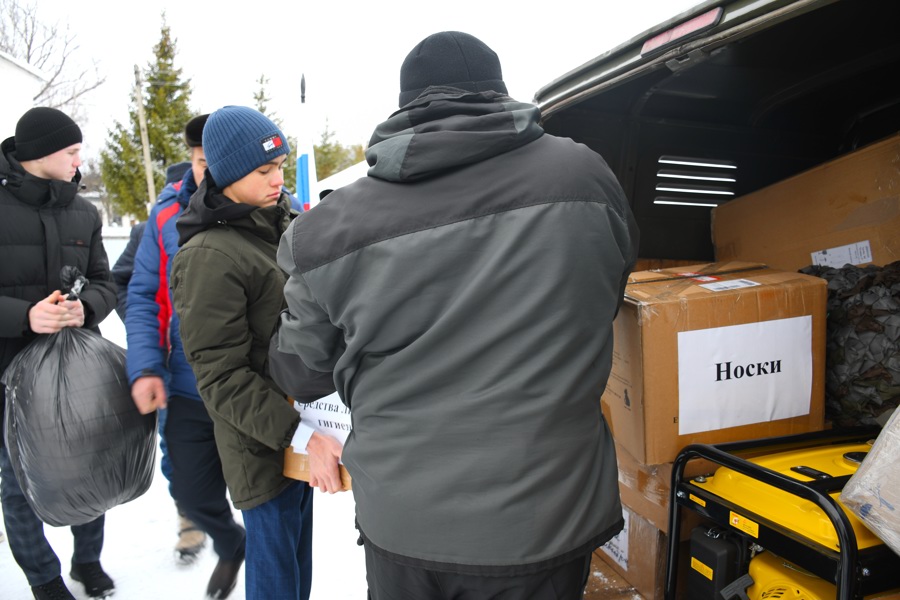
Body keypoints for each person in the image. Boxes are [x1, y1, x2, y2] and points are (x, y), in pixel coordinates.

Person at [268, 31, 640, 599]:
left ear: (404, 109)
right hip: (546, 514)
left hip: (405, 521)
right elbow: (604, 294)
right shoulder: (584, 178)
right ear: (498, 93)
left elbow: (300, 371)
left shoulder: (328, 231)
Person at [170, 106, 338, 600]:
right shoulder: (208, 256)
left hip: (305, 427)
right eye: (263, 170)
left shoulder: (279, 223)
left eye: (281, 167)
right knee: (277, 581)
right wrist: (299, 436)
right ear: (225, 173)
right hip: (262, 446)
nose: (277, 179)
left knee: (298, 570)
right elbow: (220, 377)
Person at [125, 114, 247, 597]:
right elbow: (142, 297)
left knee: (263, 495)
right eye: (202, 162)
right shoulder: (163, 219)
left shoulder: (274, 208)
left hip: (249, 387)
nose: (210, 172)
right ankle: (230, 542)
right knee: (190, 491)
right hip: (185, 385)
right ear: (192, 162)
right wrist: (147, 367)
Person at [0, 107, 118, 599]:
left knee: (88, 464)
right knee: (19, 478)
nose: (78, 160)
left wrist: (85, 309)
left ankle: (87, 560)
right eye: (71, 151)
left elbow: (106, 283)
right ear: (41, 153)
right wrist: (23, 316)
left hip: (76, 371)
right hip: (8, 375)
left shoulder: (84, 212)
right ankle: (44, 579)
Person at [113, 160, 211, 567]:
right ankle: (190, 518)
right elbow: (127, 283)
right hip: (174, 363)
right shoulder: (153, 224)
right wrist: (150, 347)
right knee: (178, 451)